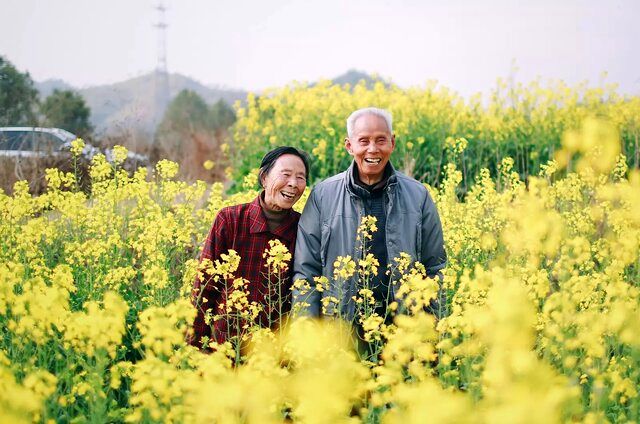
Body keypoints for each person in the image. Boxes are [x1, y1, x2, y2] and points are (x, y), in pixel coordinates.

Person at [292, 107, 447, 321]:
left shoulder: (418, 195)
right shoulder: (322, 195)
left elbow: (435, 267)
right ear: (349, 145)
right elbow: (306, 272)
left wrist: (431, 331)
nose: (372, 149)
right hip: (340, 329)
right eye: (363, 141)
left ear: (392, 143)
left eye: (381, 140)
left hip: (403, 329)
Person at [190, 146, 309, 349]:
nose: (293, 184)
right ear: (264, 178)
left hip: (272, 357)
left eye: (301, 177)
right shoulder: (230, 220)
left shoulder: (305, 228)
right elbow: (204, 287)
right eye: (286, 175)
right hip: (223, 349)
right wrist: (193, 348)